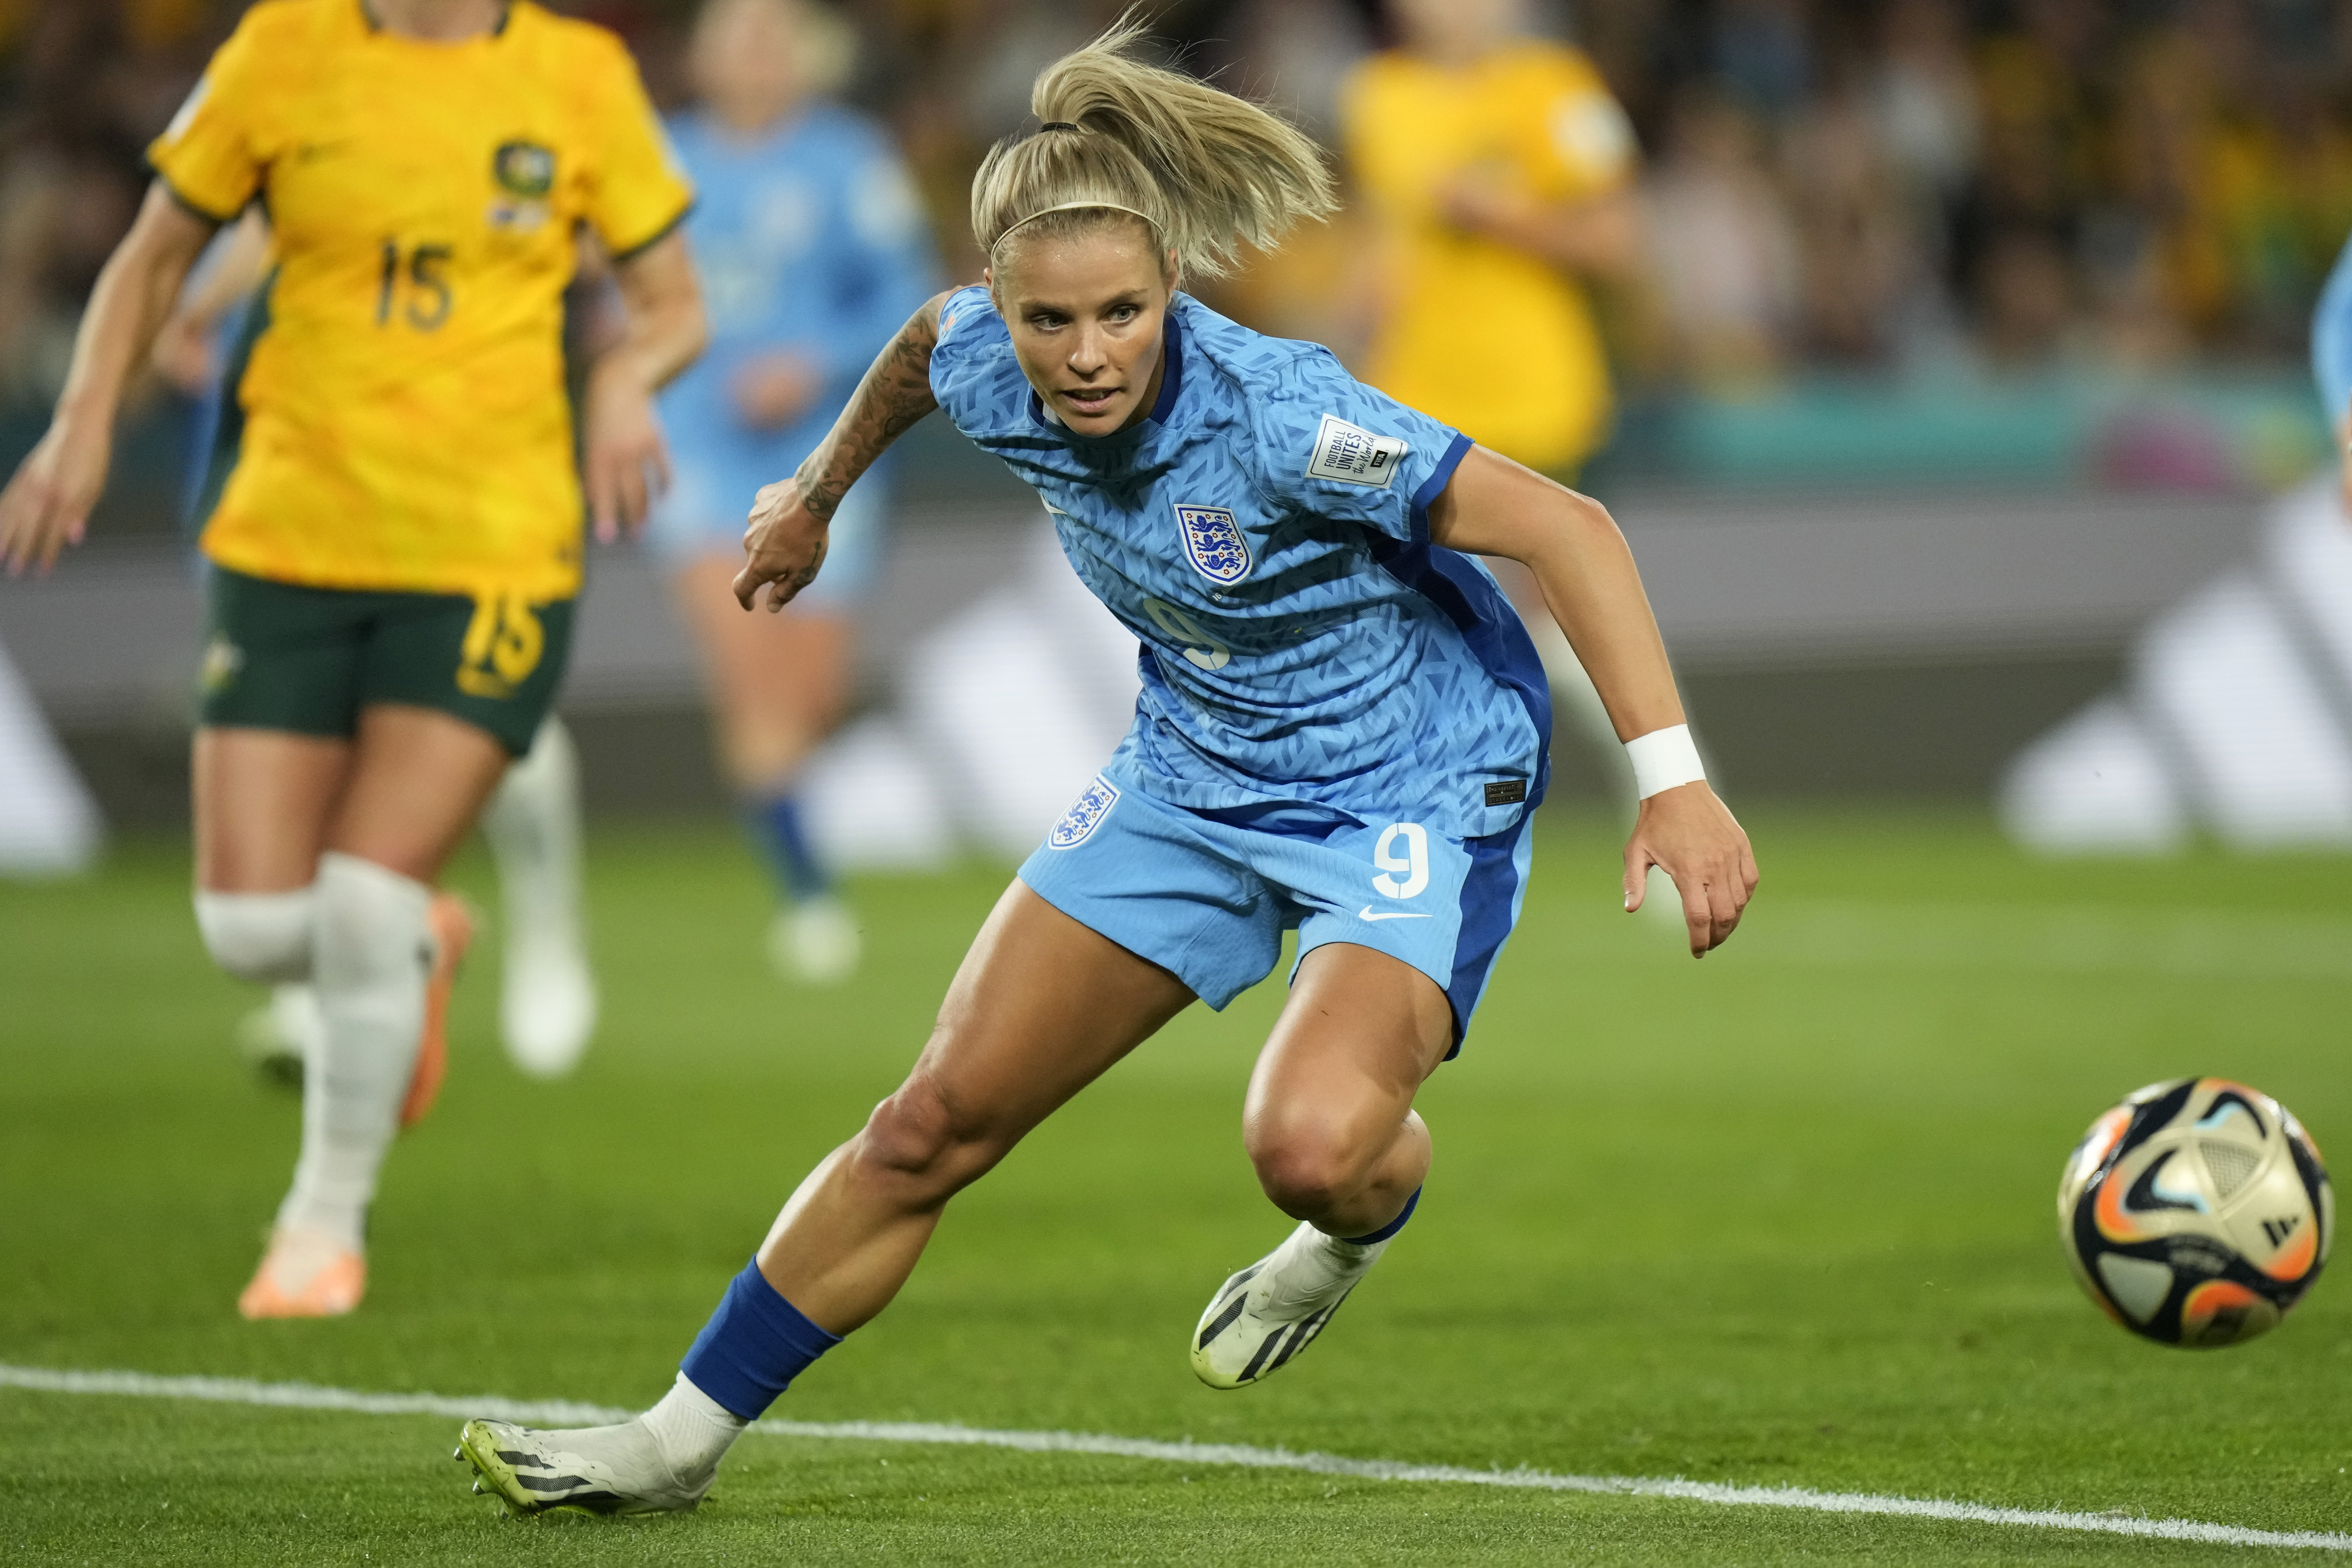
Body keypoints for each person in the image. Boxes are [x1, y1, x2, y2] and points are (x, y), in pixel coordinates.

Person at [452, 21, 1754, 1516]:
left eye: (1122, 314)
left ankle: (1348, 1230)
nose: (1083, 356)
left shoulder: (1283, 413)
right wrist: (808, 501)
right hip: (1190, 771)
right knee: (928, 1120)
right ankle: (668, 1440)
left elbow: (1567, 526)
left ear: (1171, 292)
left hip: (1405, 783)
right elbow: (907, 359)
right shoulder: (974, 353)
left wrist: (1669, 778)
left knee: (1310, 1145)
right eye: (1047, 321)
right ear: (1000, 303)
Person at [0, 0, 705, 1318]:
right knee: (254, 930)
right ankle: (424, 943)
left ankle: (320, 1227)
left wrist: (619, 381)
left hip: (495, 547)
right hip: (291, 533)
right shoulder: (283, 51)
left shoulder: (576, 77)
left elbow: (673, 304)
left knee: (361, 901)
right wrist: (83, 420)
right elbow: (156, 254)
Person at [158, 211, 605, 1082]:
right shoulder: (297, 97)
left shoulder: (519, 93)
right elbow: (267, 204)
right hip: (294, 443)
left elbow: (604, 236)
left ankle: (548, 933)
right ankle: (354, 964)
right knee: (316, 739)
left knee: (486, 708)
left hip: (464, 443)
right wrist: (191, 308)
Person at [645, 0, 938, 983]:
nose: (757, 61)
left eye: (773, 42)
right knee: (752, 672)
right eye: (737, 42)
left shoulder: (847, 160)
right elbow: (618, 286)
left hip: (825, 458)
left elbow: (909, 296)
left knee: (805, 699)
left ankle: (791, 844)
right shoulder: (660, 159)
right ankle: (810, 899)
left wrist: (807, 367)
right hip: (693, 450)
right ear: (703, 59)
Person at [1342, 0, 1654, 811]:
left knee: (1557, 614)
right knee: (1398, 608)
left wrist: (1497, 214)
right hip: (1412, 398)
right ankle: (1418, 810)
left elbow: (1618, 240)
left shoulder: (1556, 89)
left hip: (1533, 392)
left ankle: (1666, 785)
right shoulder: (1376, 96)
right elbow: (1385, 241)